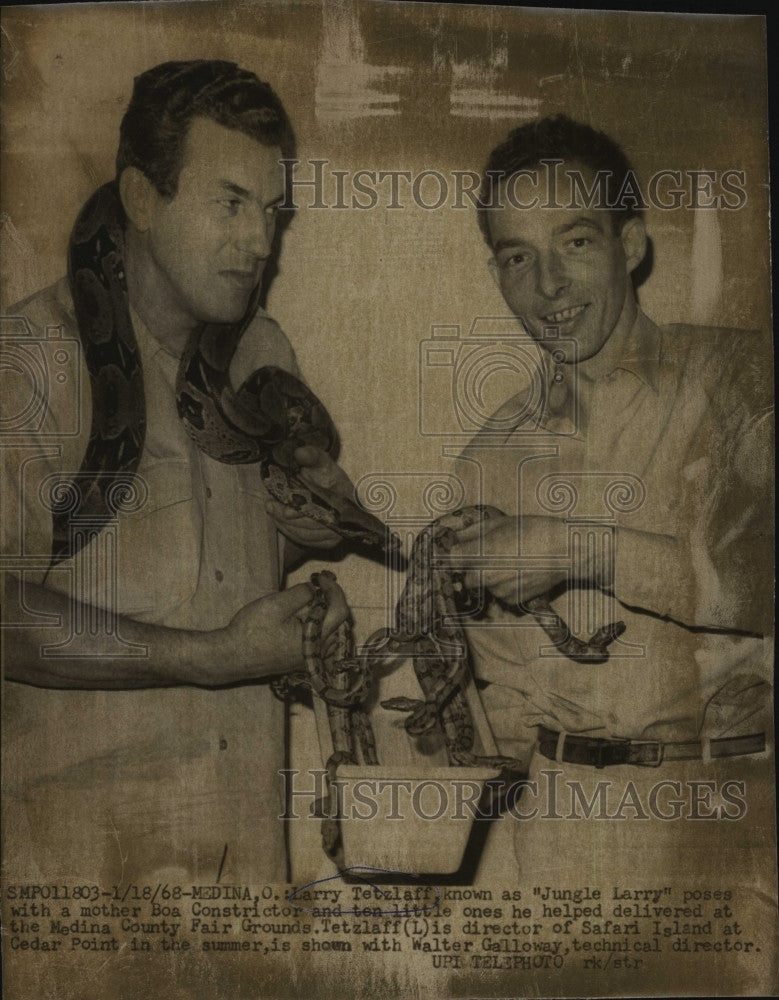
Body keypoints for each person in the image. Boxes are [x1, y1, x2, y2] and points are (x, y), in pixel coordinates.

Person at [1, 60, 360, 885]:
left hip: (244, 857)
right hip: (85, 870)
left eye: (271, 211)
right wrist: (208, 656)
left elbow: (205, 569)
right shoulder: (31, 362)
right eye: (229, 203)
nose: (260, 243)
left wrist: (300, 542)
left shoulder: (261, 350)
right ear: (138, 199)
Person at [446, 115, 774, 989]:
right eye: (516, 256)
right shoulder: (488, 456)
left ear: (631, 244)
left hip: (727, 816)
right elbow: (502, 705)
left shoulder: (746, 380)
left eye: (574, 241)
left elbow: (758, 582)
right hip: (558, 836)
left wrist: (579, 547)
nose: (546, 285)